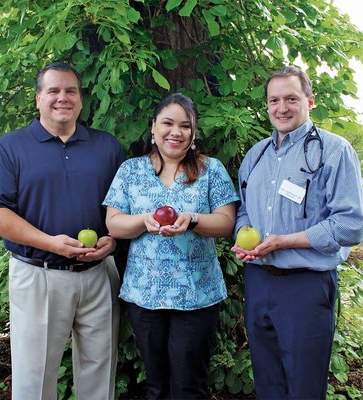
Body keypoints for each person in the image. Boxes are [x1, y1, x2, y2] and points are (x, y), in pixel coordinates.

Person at [0, 61, 125, 400]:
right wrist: (51, 243)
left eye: (71, 90)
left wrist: (112, 239)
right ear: (38, 98)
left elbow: (125, 206)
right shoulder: (10, 148)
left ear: (81, 99)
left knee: (100, 374)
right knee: (34, 380)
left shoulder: (107, 147)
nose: (63, 97)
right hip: (38, 274)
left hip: (99, 272)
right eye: (54, 90)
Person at [231, 66, 363, 400]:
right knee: (268, 382)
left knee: (304, 387)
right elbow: (245, 210)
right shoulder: (255, 156)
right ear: (266, 106)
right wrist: (241, 234)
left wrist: (285, 241)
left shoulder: (334, 151)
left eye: (291, 98)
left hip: (305, 285)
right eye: (274, 100)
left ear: (310, 100)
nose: (282, 108)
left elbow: (349, 225)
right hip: (259, 280)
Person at [103, 93, 239, 399]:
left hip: (196, 295)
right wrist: (144, 220)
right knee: (156, 386)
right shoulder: (131, 170)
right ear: (153, 127)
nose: (175, 132)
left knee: (189, 387)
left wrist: (191, 219)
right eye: (167, 123)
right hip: (144, 295)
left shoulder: (210, 169)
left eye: (185, 126)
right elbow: (114, 224)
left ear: (193, 133)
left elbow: (225, 222)